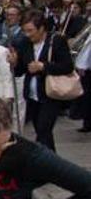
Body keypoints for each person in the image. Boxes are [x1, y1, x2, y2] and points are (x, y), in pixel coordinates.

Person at [16, 10, 74, 152]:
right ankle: (51, 162)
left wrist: (44, 66)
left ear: (41, 28)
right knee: (42, 132)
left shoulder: (56, 41)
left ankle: (44, 162)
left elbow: (67, 66)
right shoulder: (24, 43)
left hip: (50, 93)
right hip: (32, 94)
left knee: (43, 128)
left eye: (31, 30)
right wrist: (14, 63)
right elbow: (21, 70)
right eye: (25, 31)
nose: (28, 34)